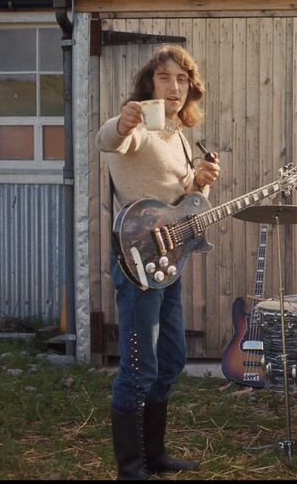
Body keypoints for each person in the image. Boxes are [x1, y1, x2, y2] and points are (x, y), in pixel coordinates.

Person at [96, 45, 220, 479]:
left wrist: (199, 181)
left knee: (170, 359)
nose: (174, 87)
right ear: (149, 84)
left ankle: (154, 456)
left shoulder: (178, 135)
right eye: (165, 78)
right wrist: (123, 121)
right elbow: (109, 140)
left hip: (168, 261)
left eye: (182, 80)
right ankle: (132, 470)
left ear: (191, 89)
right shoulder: (140, 127)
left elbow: (183, 203)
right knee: (138, 367)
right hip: (136, 261)